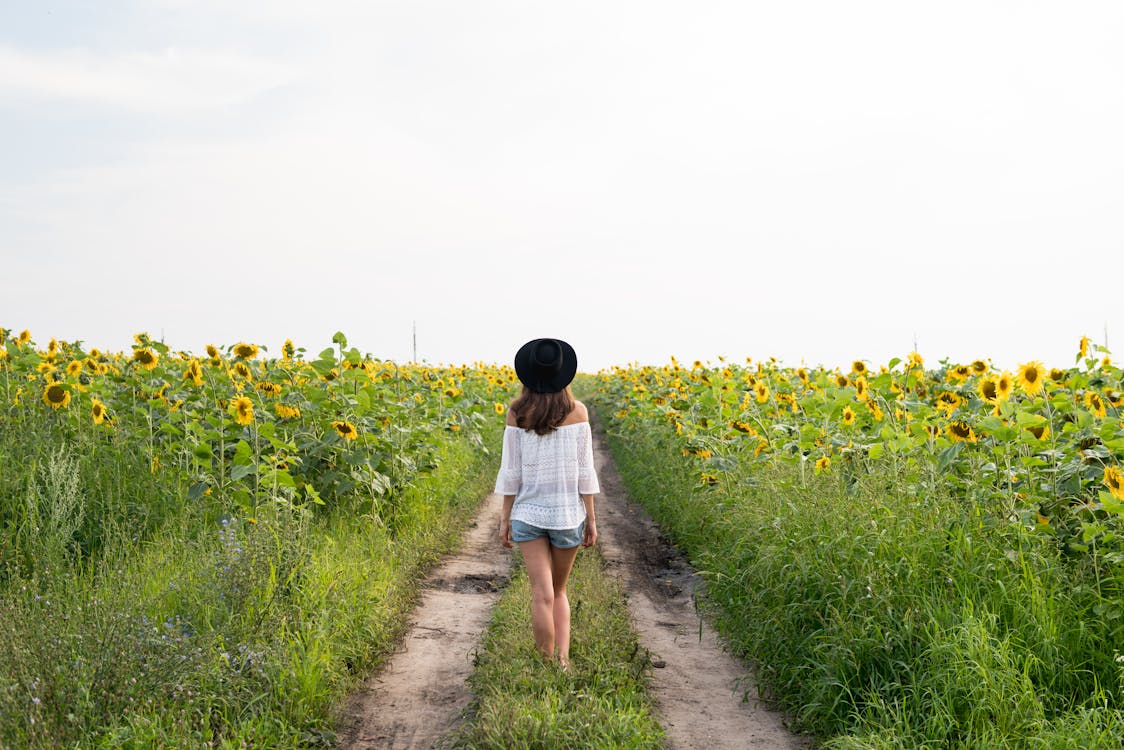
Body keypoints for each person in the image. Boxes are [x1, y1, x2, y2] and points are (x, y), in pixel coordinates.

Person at [495, 337, 600, 671]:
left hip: (527, 514)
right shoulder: (578, 412)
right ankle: (563, 663)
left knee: (541, 594)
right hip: (568, 515)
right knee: (559, 591)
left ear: (527, 374)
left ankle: (544, 664)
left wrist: (505, 518)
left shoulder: (517, 412)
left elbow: (510, 473)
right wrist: (592, 520)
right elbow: (586, 472)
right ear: (563, 374)